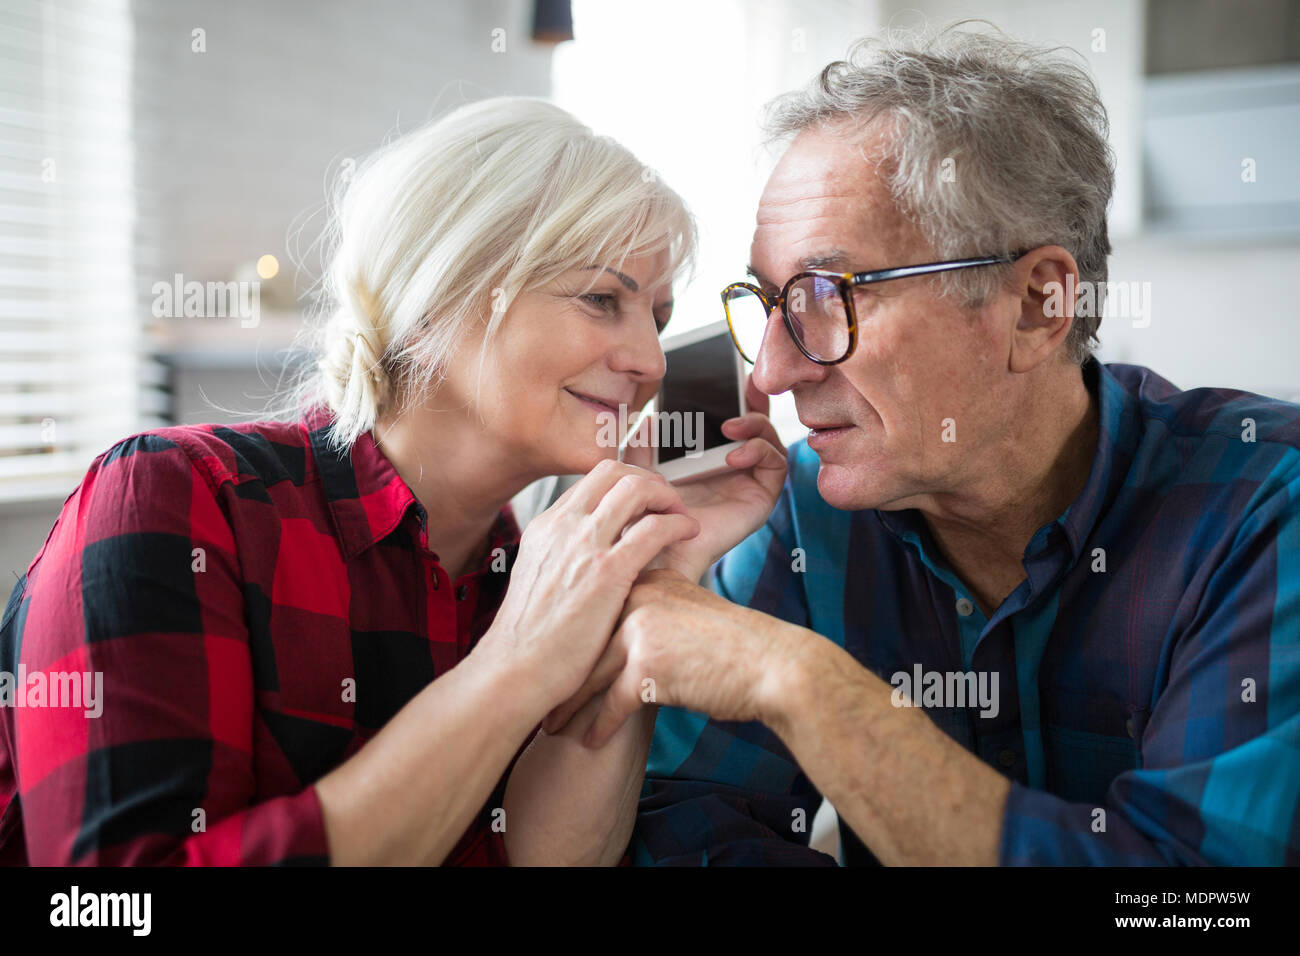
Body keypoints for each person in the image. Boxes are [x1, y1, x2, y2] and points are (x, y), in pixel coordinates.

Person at [545, 26, 1300, 865]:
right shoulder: (808, 512)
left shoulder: (1267, 505)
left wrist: (802, 685)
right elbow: (687, 813)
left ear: (1036, 306)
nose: (770, 373)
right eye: (768, 303)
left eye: (825, 295)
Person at [0, 96, 787, 865]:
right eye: (601, 298)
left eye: (656, 314)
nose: (649, 362)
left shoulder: (527, 570)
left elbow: (537, 856)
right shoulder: (175, 498)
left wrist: (640, 581)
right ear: (437, 295)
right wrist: (512, 666)